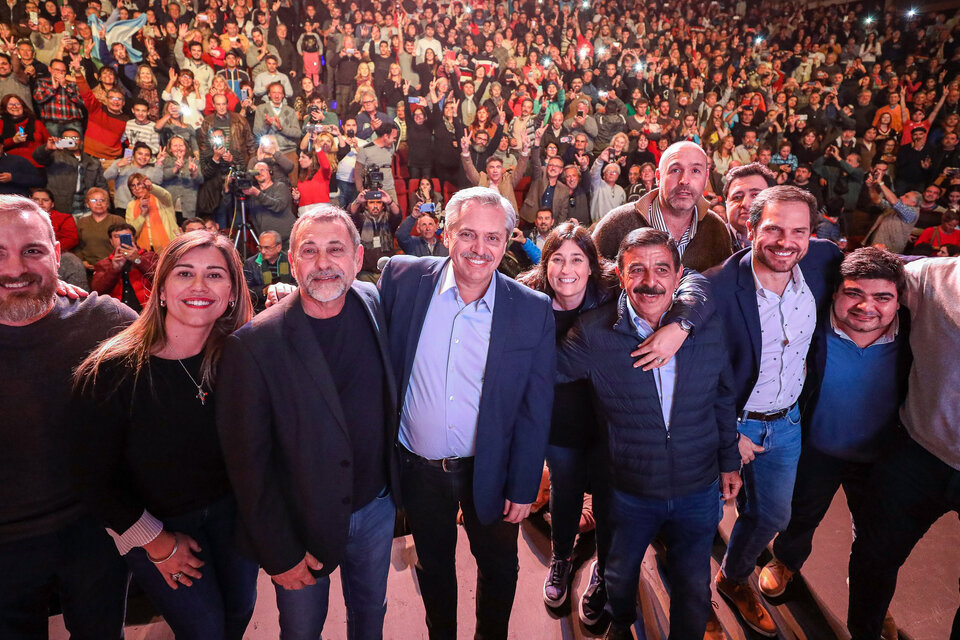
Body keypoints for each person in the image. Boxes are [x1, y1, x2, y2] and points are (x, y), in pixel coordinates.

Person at [378, 186, 555, 639]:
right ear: (446, 234)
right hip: (419, 469)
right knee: (434, 567)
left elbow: (536, 407)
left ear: (508, 241)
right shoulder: (401, 278)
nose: (481, 249)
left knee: (498, 566)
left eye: (494, 238)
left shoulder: (530, 309)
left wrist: (523, 481)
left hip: (491, 470)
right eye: (469, 234)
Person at [217, 206, 400, 640]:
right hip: (301, 520)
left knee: (371, 615)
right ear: (292, 262)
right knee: (301, 630)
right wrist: (279, 552)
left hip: (376, 507)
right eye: (309, 251)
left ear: (358, 258)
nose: (322, 264)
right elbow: (249, 467)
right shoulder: (253, 346)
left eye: (335, 250)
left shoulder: (372, 302)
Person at [556, 227, 741, 639]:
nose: (649, 281)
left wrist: (729, 459)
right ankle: (621, 625)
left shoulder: (705, 326)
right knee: (619, 576)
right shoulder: (594, 332)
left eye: (661, 269)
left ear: (678, 276)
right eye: (636, 270)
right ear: (620, 276)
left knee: (694, 586)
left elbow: (723, 398)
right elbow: (538, 372)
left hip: (698, 486)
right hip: (628, 489)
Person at [74, 231, 258, 640]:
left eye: (214, 275)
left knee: (238, 617)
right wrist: (158, 544)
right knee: (205, 631)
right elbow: (94, 481)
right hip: (155, 526)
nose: (198, 287)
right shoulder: (112, 371)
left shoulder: (240, 358)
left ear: (231, 292)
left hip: (231, 520)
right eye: (184, 273)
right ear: (160, 289)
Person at [706, 185, 843, 637]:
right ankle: (691, 601)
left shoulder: (822, 261)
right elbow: (697, 374)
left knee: (772, 517)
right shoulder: (718, 288)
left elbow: (883, 267)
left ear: (812, 235)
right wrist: (729, 435)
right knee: (698, 519)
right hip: (730, 423)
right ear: (749, 228)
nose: (786, 241)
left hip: (785, 421)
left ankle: (730, 577)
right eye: (774, 228)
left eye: (798, 231)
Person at [754, 248, 909, 638]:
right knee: (802, 512)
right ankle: (787, 560)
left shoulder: (912, 336)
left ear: (899, 300)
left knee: (875, 535)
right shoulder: (812, 326)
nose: (866, 306)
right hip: (817, 446)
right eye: (854, 292)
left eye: (882, 297)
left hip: (880, 456)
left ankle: (872, 601)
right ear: (836, 291)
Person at [0, 194, 133, 640]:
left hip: (96, 535)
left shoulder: (103, 321)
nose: (15, 269)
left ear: (57, 255)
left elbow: (186, 353)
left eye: (32, 251)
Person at [845, 251, 960, 640]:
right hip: (919, 452)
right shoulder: (930, 278)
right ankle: (865, 632)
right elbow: (861, 273)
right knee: (873, 557)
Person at [593, 141, 733, 273]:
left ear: (706, 178)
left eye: (695, 171)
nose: (684, 180)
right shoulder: (617, 223)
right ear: (658, 177)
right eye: (675, 170)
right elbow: (590, 281)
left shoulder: (716, 229)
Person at [33, 128, 107, 215]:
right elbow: (38, 157)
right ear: (62, 141)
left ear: (81, 142)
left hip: (86, 208)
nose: (71, 141)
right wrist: (47, 148)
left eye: (75, 138)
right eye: (67, 139)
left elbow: (102, 187)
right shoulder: (54, 156)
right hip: (61, 207)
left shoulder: (93, 162)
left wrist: (105, 208)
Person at [221, 161, 296, 246]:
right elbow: (235, 208)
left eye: (263, 170)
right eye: (256, 171)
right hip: (267, 242)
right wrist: (227, 190)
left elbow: (278, 206)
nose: (259, 172)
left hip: (286, 239)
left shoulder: (280, 186)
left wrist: (257, 193)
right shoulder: (252, 192)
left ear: (269, 172)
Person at [91, 222, 159, 313]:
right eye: (117, 237)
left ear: (134, 239)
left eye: (127, 236)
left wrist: (138, 260)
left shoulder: (149, 256)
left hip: (148, 310)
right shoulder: (103, 264)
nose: (121, 240)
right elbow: (97, 291)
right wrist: (114, 269)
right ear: (111, 241)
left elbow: (161, 279)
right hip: (117, 313)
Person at [347, 189, 402, 282]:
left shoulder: (389, 219)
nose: (375, 206)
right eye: (371, 202)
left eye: (379, 203)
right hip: (366, 273)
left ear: (383, 206)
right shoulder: (360, 220)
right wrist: (358, 201)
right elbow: (351, 214)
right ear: (366, 206)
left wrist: (390, 202)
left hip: (386, 271)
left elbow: (397, 215)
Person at [724, 163, 776, 253]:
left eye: (756, 195)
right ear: (726, 204)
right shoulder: (706, 242)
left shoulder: (787, 243)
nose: (745, 203)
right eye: (737, 197)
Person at [74, 187, 126, 270]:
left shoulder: (117, 220)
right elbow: (77, 246)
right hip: (88, 268)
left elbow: (125, 246)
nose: (99, 203)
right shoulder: (81, 222)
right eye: (94, 200)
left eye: (102, 200)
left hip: (113, 267)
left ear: (107, 203)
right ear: (87, 204)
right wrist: (82, 261)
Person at [243, 230, 295, 313]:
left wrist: (281, 288)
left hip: (289, 307)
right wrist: (265, 290)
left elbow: (299, 285)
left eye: (267, 248)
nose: (263, 251)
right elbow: (246, 291)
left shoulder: (290, 261)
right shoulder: (251, 263)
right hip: (261, 309)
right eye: (260, 247)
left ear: (278, 247)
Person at [127, 174, 180, 254]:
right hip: (145, 250)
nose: (137, 188)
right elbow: (131, 232)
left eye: (139, 184)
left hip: (169, 248)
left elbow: (165, 194)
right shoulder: (131, 205)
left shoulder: (161, 200)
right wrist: (142, 215)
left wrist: (151, 187)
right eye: (133, 186)